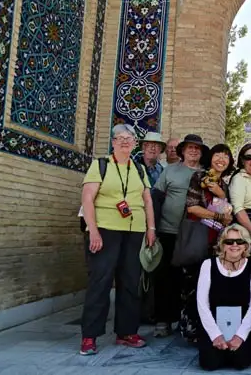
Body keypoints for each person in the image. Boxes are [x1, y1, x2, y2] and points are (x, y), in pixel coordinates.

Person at [79, 124, 156, 355]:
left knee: (130, 282)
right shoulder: (100, 165)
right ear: (113, 142)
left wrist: (150, 228)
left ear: (134, 143)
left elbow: (148, 201)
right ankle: (89, 336)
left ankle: (126, 332)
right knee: (100, 282)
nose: (125, 142)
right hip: (105, 230)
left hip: (134, 232)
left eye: (129, 138)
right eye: (120, 138)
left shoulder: (139, 169)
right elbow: (87, 199)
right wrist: (93, 230)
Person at [151, 134, 207, 338]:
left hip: (194, 233)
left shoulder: (206, 174)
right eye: (190, 147)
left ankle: (187, 320)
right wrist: (153, 228)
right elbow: (155, 199)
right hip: (169, 231)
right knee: (165, 277)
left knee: (191, 279)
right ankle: (163, 320)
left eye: (197, 148)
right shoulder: (170, 171)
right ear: (182, 151)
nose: (193, 151)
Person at [182, 143, 235, 343]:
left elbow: (227, 209)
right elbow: (192, 208)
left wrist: (225, 216)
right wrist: (218, 216)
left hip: (215, 241)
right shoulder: (199, 177)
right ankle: (191, 331)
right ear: (210, 158)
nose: (221, 159)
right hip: (198, 236)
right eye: (217, 155)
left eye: (226, 156)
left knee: (210, 286)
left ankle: (208, 330)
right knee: (193, 284)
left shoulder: (223, 184)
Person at [196, 224, 251, 370]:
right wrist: (215, 335)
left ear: (246, 246)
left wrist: (240, 336)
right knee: (209, 363)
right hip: (214, 325)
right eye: (229, 242)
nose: (234, 245)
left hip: (243, 325)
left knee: (240, 362)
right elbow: (202, 303)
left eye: (240, 242)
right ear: (222, 245)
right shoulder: (208, 265)